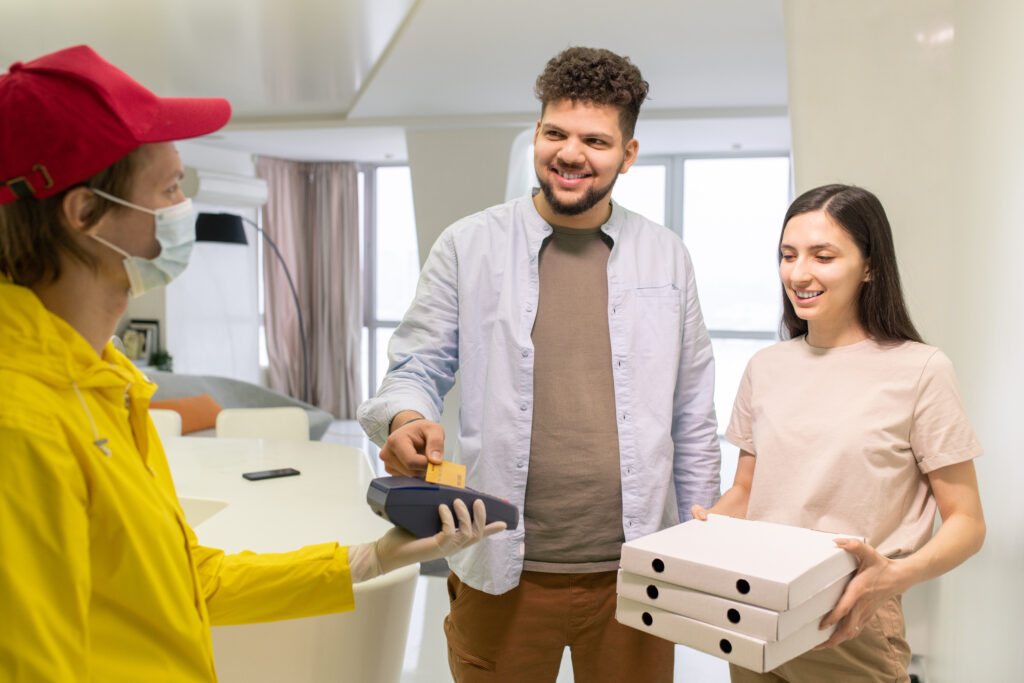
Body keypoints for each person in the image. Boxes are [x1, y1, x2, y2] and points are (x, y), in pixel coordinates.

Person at [0, 45, 505, 682]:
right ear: (86, 213)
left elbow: (192, 583)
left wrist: (375, 558)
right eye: (170, 187)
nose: (185, 207)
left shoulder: (103, 388)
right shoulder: (22, 424)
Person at [358, 46, 721, 682]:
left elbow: (692, 414)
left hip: (636, 574)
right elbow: (414, 366)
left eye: (595, 140)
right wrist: (405, 418)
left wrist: (701, 545)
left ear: (627, 155)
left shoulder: (667, 257)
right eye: (555, 132)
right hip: (500, 565)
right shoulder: (468, 246)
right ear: (536, 134)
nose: (571, 153)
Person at [692, 184, 986, 682]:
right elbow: (746, 491)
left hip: (850, 621)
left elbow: (968, 522)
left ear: (870, 266)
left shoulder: (920, 370)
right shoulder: (766, 367)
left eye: (822, 256)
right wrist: (707, 532)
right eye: (788, 255)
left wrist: (891, 578)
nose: (799, 273)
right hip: (756, 609)